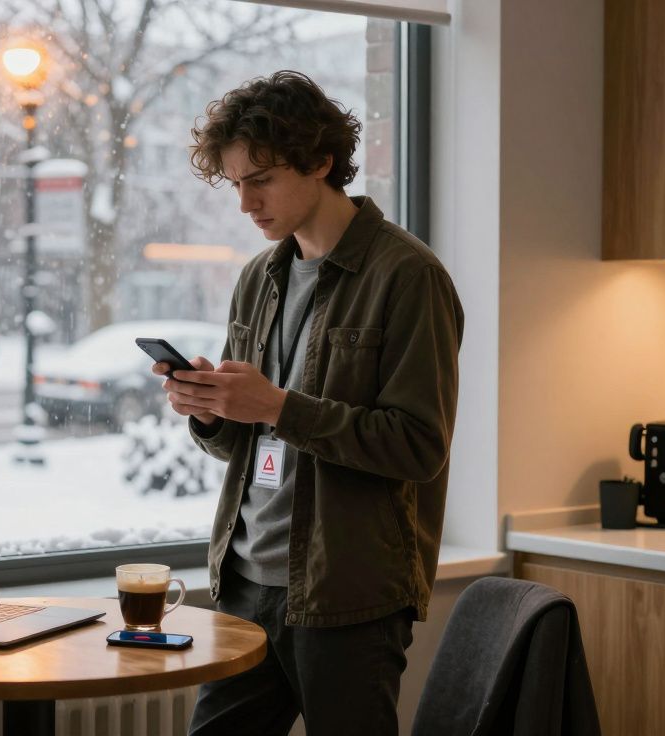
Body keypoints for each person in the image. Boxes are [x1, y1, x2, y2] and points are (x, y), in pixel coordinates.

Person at [156, 70, 463, 735]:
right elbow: (243, 442)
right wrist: (209, 409)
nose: (246, 204)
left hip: (347, 595)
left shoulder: (408, 276)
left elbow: (418, 446)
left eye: (261, 180)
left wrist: (276, 406)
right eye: (236, 184)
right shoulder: (259, 277)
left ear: (321, 161)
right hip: (246, 580)